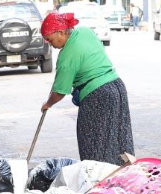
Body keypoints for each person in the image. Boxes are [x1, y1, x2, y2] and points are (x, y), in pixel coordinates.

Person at [40, 12, 134, 165]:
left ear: (61, 32)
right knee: (120, 138)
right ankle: (124, 174)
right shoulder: (84, 31)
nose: (51, 44)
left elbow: (59, 91)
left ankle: (100, 179)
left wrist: (48, 104)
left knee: (94, 142)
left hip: (98, 96)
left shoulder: (66, 56)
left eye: (50, 40)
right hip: (117, 87)